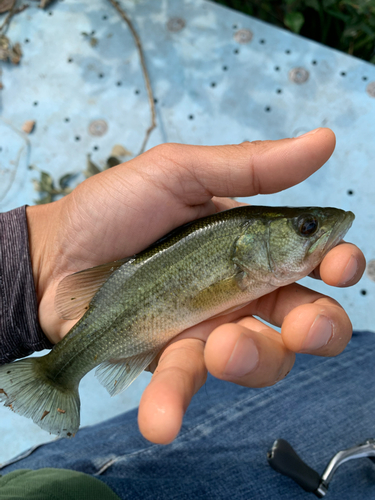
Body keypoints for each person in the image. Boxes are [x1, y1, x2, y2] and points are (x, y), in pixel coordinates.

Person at [0, 129, 371, 499]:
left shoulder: (247, 255)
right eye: (307, 227)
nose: (317, 231)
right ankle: (55, 373)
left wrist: (38, 258)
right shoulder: (238, 251)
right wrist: (39, 264)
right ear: (250, 247)